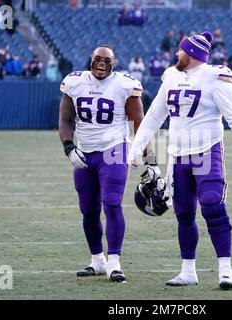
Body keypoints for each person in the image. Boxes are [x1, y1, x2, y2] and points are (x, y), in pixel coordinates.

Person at [127, 32, 232, 290]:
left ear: (190, 54)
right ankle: (188, 270)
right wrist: (137, 147)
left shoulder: (216, 77)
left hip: (206, 151)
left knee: (212, 203)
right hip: (178, 155)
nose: (176, 54)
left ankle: (225, 269)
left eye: (181, 51)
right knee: (183, 213)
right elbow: (154, 116)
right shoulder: (170, 76)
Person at [58, 45, 150, 283]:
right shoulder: (75, 82)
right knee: (88, 209)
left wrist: (148, 157)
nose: (102, 63)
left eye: (107, 60)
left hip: (114, 149)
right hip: (85, 152)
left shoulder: (124, 84)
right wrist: (69, 147)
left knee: (111, 203)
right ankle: (97, 260)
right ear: (91, 60)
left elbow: (139, 122)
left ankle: (114, 262)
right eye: (98, 59)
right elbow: (66, 118)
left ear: (114, 63)